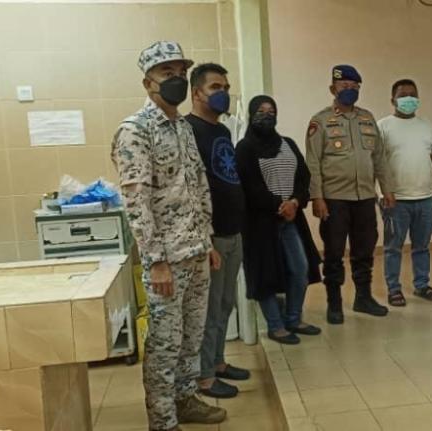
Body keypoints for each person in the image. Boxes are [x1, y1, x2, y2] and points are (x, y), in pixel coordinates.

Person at [111, 41, 226, 431]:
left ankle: (185, 399)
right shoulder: (134, 131)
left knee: (191, 338)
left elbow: (198, 187)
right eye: (166, 74)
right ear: (148, 83)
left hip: (195, 252)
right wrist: (156, 261)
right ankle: (162, 421)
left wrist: (207, 241)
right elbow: (136, 201)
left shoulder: (183, 128)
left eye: (180, 73)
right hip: (167, 262)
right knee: (164, 345)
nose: (175, 80)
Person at [306, 65, 395, 325]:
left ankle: (363, 298)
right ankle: (334, 303)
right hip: (334, 198)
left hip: (365, 197)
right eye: (344, 86)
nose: (349, 91)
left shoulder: (368, 119)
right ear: (333, 89)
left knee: (364, 249)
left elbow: (379, 158)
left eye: (354, 87)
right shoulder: (320, 121)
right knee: (333, 252)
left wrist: (386, 189)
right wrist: (317, 197)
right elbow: (313, 162)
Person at [185, 63, 250, 399]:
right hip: (209, 237)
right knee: (208, 310)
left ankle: (219, 362)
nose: (222, 92)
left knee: (225, 305)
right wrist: (203, 237)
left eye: (225, 85)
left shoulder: (222, 132)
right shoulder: (188, 130)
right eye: (214, 87)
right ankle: (204, 377)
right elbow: (190, 189)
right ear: (196, 93)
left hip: (232, 230)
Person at [236, 95, 323, 345]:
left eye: (271, 110)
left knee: (300, 268)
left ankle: (294, 318)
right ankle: (276, 326)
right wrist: (278, 205)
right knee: (265, 273)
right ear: (251, 115)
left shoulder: (288, 144)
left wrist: (295, 202)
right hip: (259, 223)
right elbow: (250, 186)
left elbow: (303, 177)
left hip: (291, 219)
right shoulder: (244, 148)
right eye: (261, 111)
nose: (266, 115)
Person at [378, 79, 432, 307]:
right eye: (403, 95)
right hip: (395, 200)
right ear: (393, 99)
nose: (409, 99)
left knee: (422, 246)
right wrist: (381, 192)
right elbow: (376, 162)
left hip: (425, 199)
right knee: (393, 247)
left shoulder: (427, 125)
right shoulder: (383, 126)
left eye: (413, 94)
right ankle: (394, 289)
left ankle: (421, 285)